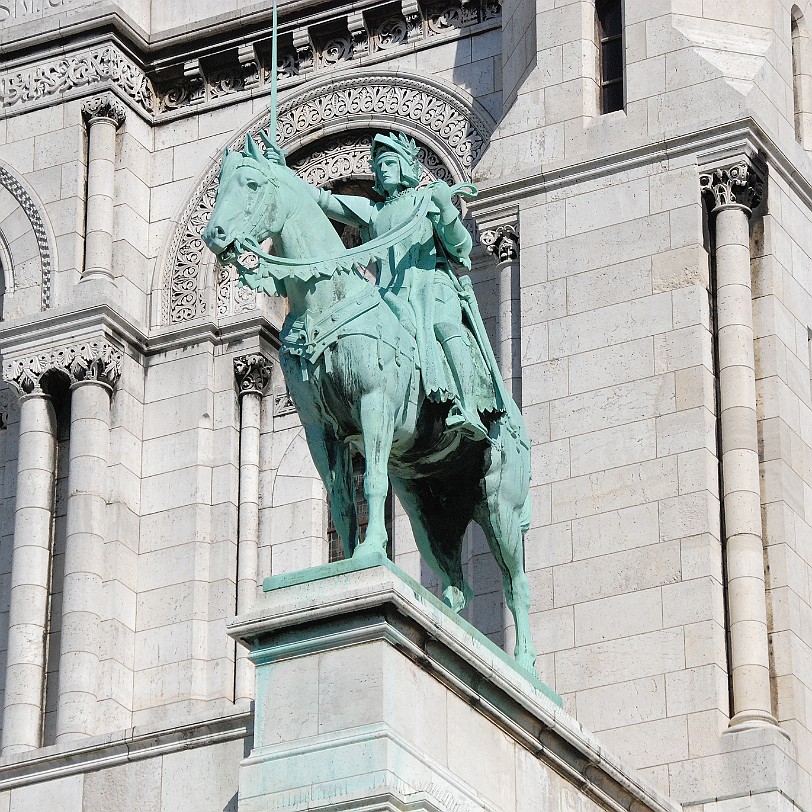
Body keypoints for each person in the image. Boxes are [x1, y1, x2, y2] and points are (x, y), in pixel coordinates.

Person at [268, 131, 495, 441]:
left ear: (404, 166)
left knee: (444, 326)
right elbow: (323, 199)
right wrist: (281, 173)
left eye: (388, 162)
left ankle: (468, 407)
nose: (382, 169)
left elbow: (461, 247)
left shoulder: (425, 201)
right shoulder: (374, 213)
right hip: (390, 295)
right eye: (377, 165)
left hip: (433, 286)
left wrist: (447, 209)